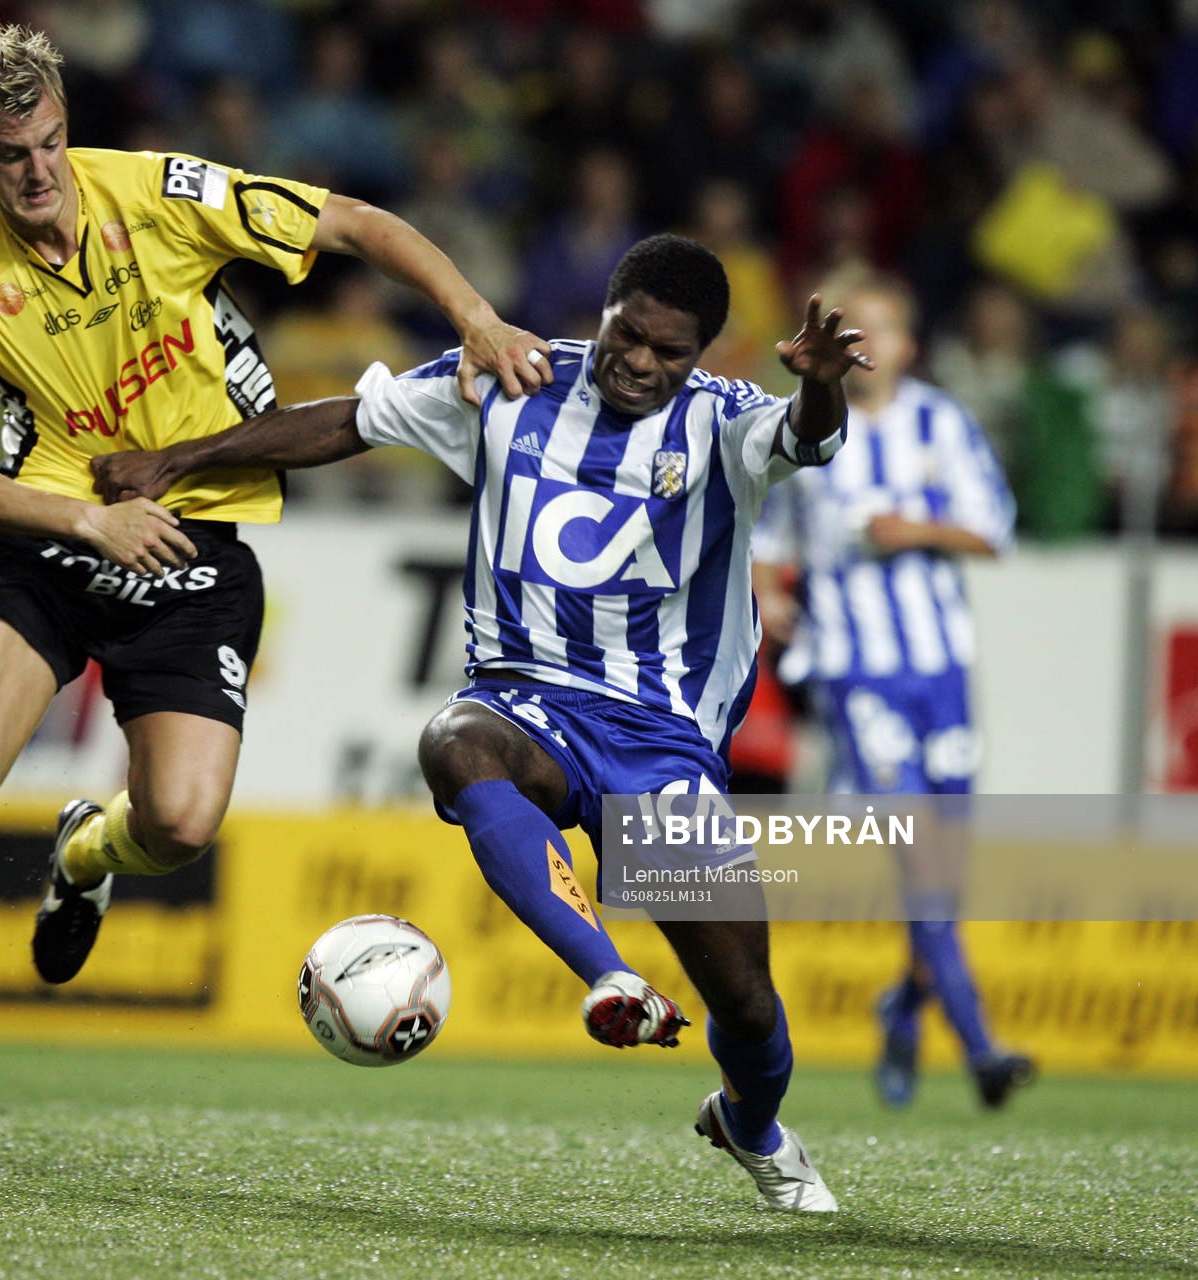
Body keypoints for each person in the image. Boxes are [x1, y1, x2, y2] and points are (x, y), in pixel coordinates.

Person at [0, 24, 550, 1177]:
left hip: (197, 539)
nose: (41, 171)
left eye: (51, 141)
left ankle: (84, 856)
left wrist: (473, 315)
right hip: (51, 534)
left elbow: (356, 223)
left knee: (183, 823)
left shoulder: (153, 194)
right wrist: (87, 518)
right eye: (12, 156)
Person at [90, 234, 872, 1213]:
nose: (640, 362)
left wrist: (822, 386)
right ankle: (608, 977)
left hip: (661, 737)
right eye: (627, 335)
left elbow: (809, 435)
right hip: (526, 695)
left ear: (702, 354)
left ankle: (749, 1125)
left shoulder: (729, 421)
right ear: (606, 311)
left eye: (669, 352)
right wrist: (179, 458)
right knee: (455, 741)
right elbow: (348, 422)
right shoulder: (511, 378)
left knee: (749, 1010)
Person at [750, 275, 1036, 1109]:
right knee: (924, 863)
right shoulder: (805, 423)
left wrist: (917, 531)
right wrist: (771, 595)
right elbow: (767, 533)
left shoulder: (941, 423)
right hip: (855, 670)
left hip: (943, 671)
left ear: (908, 347)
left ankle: (901, 1009)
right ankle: (981, 1049)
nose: (861, 344)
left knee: (946, 869)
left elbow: (996, 532)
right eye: (850, 330)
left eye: (876, 330)